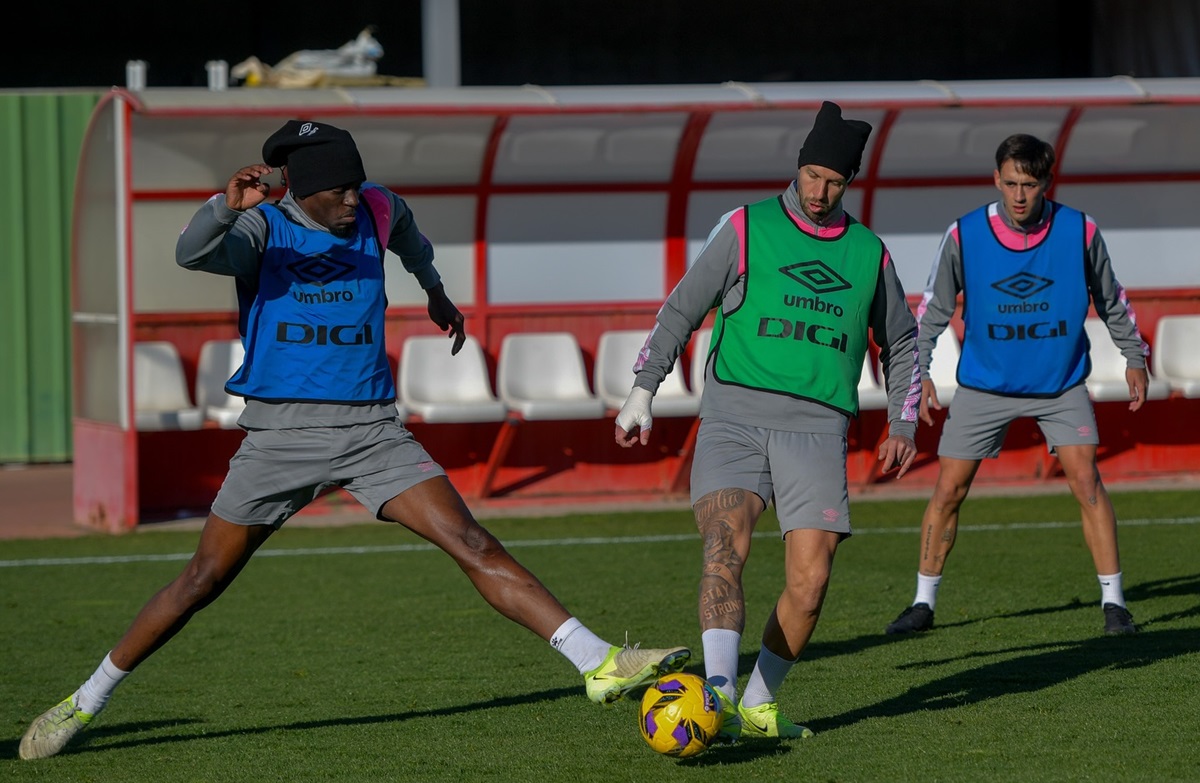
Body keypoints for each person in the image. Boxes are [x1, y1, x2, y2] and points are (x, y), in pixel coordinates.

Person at [19, 119, 689, 761]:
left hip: (371, 429)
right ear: (297, 189)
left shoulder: (377, 207)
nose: (350, 200)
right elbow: (191, 251)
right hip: (280, 435)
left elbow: (412, 239)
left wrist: (434, 291)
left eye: (355, 185)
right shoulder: (262, 226)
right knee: (201, 580)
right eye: (336, 191)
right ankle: (85, 700)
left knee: (473, 540)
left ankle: (598, 661)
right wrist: (223, 207)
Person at [613, 101, 921, 743]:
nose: (819, 191)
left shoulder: (869, 253)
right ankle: (717, 696)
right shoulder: (747, 227)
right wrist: (643, 389)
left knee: (811, 584)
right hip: (735, 416)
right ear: (798, 167)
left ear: (849, 184)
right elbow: (681, 308)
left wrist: (904, 420)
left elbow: (901, 342)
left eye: (834, 181)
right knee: (726, 549)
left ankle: (757, 704)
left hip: (819, 427)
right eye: (812, 175)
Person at [884, 133, 1145, 638]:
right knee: (948, 490)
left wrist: (1134, 356)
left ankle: (1115, 604)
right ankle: (922, 602)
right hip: (985, 386)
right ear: (996, 180)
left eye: (1029, 184)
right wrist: (918, 376)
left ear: (1047, 182)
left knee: (1087, 482)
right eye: (1010, 183)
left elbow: (1113, 300)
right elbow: (930, 313)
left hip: (1060, 383)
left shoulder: (1079, 230)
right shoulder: (964, 234)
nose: (1019, 195)